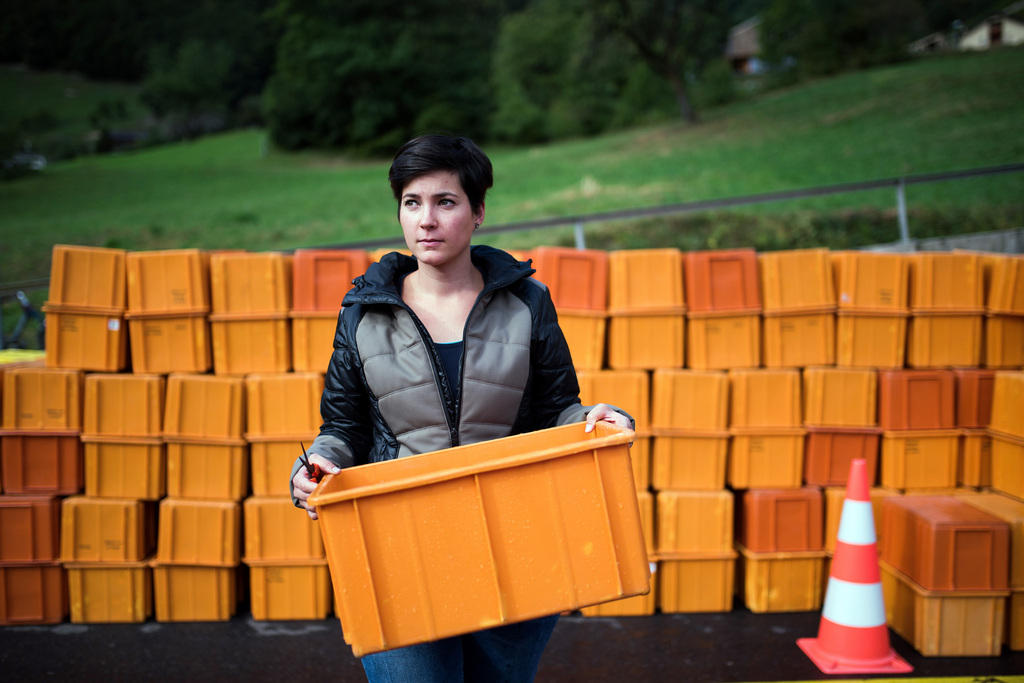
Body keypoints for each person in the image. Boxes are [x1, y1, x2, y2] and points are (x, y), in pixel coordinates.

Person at [290, 134, 633, 683]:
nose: (426, 220)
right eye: (412, 202)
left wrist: (592, 420)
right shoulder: (363, 313)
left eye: (445, 202)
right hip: (398, 550)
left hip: (516, 545)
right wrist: (315, 468)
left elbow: (557, 406)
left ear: (477, 213)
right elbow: (343, 427)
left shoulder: (526, 303)